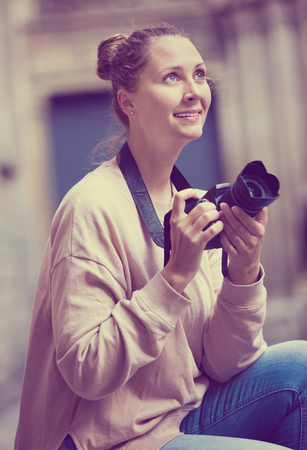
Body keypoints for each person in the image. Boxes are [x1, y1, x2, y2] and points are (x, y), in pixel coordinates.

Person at [15, 24, 307, 450]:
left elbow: (226, 365)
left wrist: (243, 273)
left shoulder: (186, 203)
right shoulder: (91, 207)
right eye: (172, 77)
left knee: (301, 362)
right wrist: (173, 279)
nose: (194, 91)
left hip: (180, 414)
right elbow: (87, 370)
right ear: (127, 102)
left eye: (200, 74)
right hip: (102, 438)